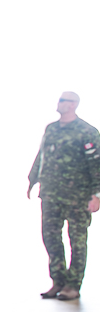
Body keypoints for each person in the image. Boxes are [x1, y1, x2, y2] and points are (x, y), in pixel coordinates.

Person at [27, 92, 100, 300]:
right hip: (50, 194)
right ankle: (58, 281)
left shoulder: (88, 132)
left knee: (77, 241)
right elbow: (41, 155)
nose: (58, 103)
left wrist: (96, 194)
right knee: (50, 237)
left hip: (78, 197)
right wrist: (32, 179)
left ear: (73, 105)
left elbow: (96, 165)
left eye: (63, 100)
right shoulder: (51, 129)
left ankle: (73, 285)